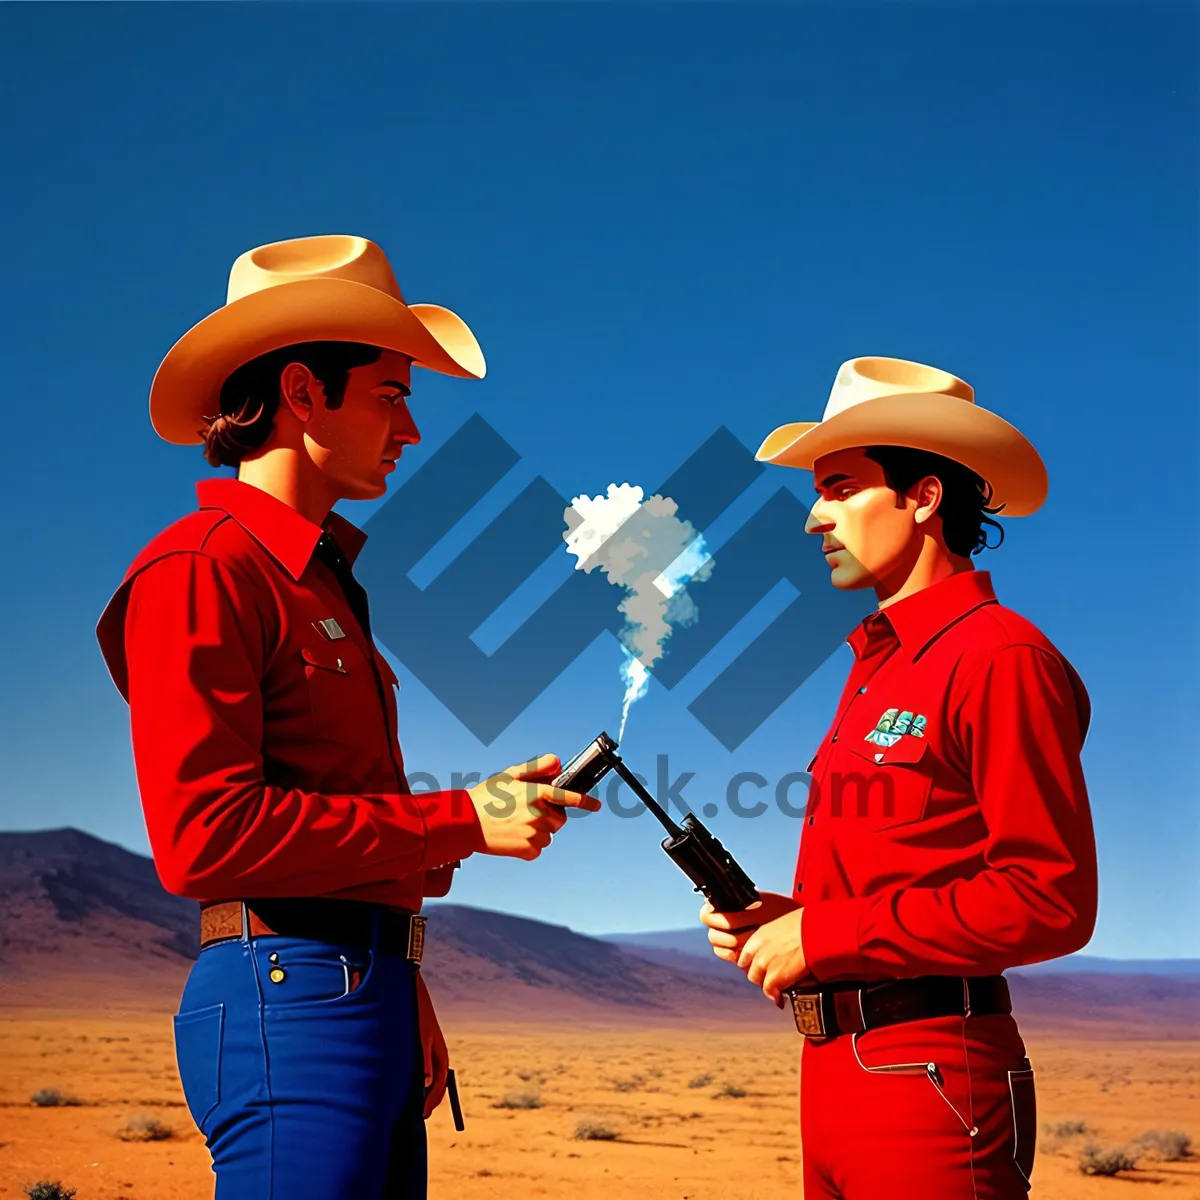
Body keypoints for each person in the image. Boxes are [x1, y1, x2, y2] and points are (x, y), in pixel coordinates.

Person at [96, 234, 600, 1200]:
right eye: (392, 393)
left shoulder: (321, 583)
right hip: (290, 998)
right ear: (301, 392)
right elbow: (205, 840)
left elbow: (334, 819)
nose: (410, 430)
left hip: (356, 991)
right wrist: (465, 818)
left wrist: (403, 980)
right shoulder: (203, 570)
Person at [701, 356, 1097, 1198]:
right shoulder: (875, 669)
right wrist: (794, 922)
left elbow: (1048, 896)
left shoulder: (1000, 658)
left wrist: (827, 936)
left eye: (840, 487)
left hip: (929, 1075)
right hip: (833, 1071)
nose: (815, 517)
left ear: (922, 498)